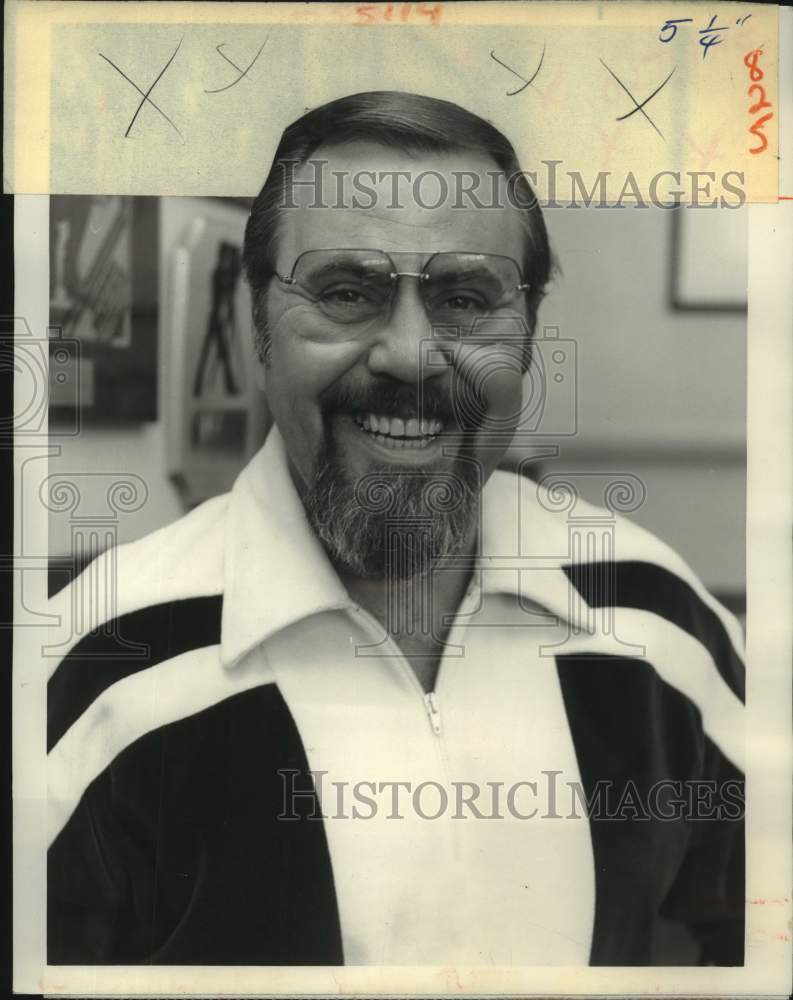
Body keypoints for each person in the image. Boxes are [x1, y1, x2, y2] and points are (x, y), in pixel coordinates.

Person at [47, 91, 745, 967]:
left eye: (464, 297)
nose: (411, 354)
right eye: (346, 292)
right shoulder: (99, 662)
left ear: (526, 335)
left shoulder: (652, 614)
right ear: (254, 324)